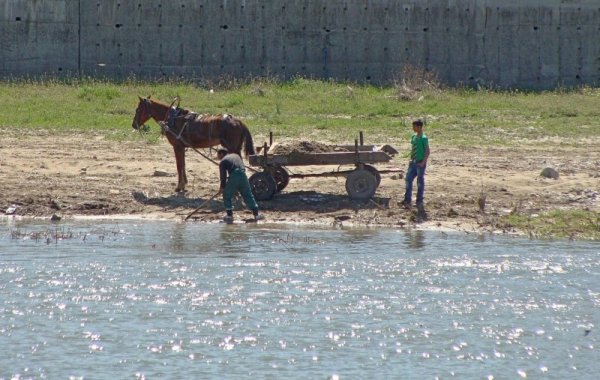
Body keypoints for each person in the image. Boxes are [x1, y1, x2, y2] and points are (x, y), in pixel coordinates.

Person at [216, 148, 262, 223]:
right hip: (243, 175)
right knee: (248, 194)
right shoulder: (236, 155)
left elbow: (223, 177)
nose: (218, 157)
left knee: (226, 194)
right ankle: (256, 215)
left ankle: (229, 216)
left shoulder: (223, 161)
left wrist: (222, 187)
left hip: (235, 175)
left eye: (218, 155)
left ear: (221, 154)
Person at [400, 119, 430, 215]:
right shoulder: (413, 137)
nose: (413, 128)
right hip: (412, 162)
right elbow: (413, 149)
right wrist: (410, 159)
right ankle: (407, 200)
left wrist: (423, 162)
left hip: (420, 162)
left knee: (420, 182)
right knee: (408, 180)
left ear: (419, 127)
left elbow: (427, 151)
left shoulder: (424, 138)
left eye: (414, 126)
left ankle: (419, 201)